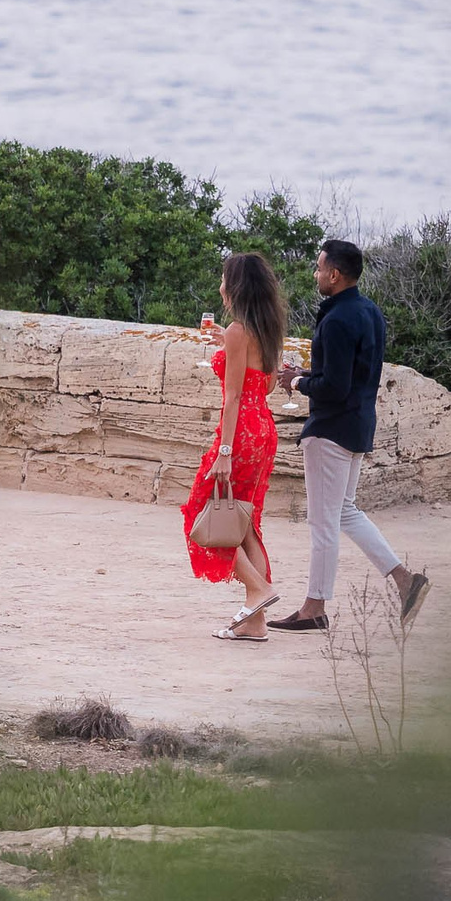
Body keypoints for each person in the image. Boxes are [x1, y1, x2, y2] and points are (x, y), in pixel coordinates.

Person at [270, 239, 429, 632]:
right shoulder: (370, 312)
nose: (316, 274)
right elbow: (353, 378)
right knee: (343, 512)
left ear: (335, 274)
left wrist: (297, 383)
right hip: (358, 425)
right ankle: (404, 580)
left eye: (319, 268)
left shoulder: (337, 319)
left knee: (323, 523)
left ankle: (314, 608)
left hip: (331, 429)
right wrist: (307, 377)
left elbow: (334, 387)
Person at [180, 252, 287, 641]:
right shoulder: (267, 328)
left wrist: (224, 453)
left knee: (201, 511)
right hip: (264, 429)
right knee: (245, 523)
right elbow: (269, 385)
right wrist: (225, 343)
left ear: (236, 286)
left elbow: (234, 397)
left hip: (241, 431)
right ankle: (255, 623)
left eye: (224, 279)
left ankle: (259, 590)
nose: (220, 287)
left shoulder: (238, 330)